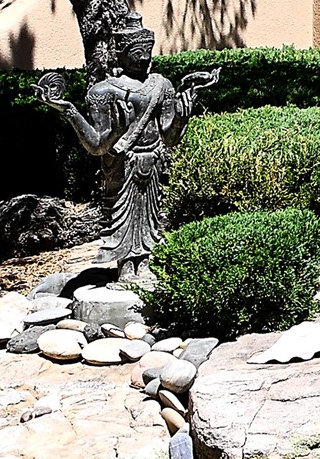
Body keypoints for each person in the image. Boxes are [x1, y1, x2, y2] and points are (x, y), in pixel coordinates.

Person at [37, 21, 220, 280]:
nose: (144, 58)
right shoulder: (103, 91)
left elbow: (169, 137)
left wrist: (182, 115)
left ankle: (144, 262)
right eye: (137, 52)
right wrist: (72, 111)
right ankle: (125, 266)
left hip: (153, 160)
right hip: (121, 163)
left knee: (150, 215)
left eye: (147, 52)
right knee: (121, 215)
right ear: (120, 54)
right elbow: (97, 146)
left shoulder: (162, 85)